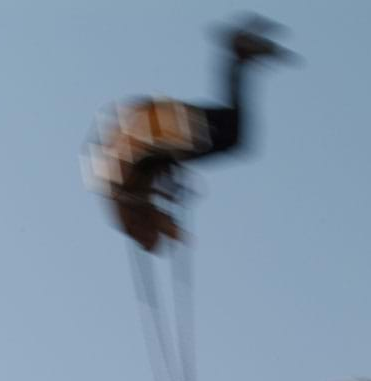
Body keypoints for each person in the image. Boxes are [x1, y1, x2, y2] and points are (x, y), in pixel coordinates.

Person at [93, 16, 294, 252]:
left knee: (233, 136)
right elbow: (143, 173)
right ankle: (240, 56)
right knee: (234, 129)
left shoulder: (129, 202)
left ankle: (239, 52)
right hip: (152, 125)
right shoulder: (130, 199)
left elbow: (143, 167)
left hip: (153, 130)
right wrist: (169, 189)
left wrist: (169, 183)